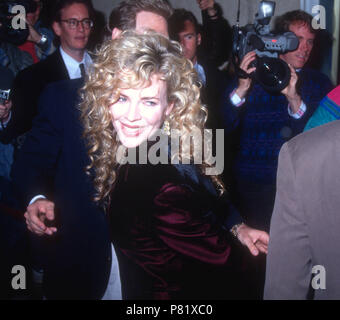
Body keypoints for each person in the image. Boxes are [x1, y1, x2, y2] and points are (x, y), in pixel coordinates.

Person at [80, 30, 268, 299]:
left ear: (169, 107)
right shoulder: (149, 148)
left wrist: (237, 231)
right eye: (122, 98)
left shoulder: (160, 182)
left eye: (149, 101)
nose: (131, 116)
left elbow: (232, 264)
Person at [11, 0, 173, 300]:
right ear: (117, 38)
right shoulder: (64, 98)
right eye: (148, 38)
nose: (159, 50)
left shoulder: (170, 103)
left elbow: (197, 175)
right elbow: (29, 164)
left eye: (163, 41)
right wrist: (36, 198)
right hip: (82, 262)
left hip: (150, 271)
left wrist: (236, 226)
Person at [219, 10, 334, 299]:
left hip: (303, 189)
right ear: (277, 43)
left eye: (310, 41)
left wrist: (294, 98)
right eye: (297, 41)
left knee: (300, 265)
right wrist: (242, 87)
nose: (305, 48)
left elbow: (318, 139)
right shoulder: (252, 75)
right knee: (256, 264)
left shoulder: (319, 83)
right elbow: (221, 127)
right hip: (254, 188)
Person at [264, 120, 340, 299]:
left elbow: (309, 126)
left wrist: (294, 101)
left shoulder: (324, 95)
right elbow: (226, 125)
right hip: (256, 182)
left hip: (305, 177)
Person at [2, 0, 94, 143]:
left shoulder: (106, 68)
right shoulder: (31, 77)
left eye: (85, 22)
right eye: (72, 22)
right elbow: (16, 130)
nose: (81, 29)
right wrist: (6, 116)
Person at [168, 4, 230, 129]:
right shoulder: (161, 76)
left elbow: (220, 45)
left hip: (210, 142)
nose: (182, 45)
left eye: (188, 37)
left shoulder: (214, 76)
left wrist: (212, 12)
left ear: (199, 39)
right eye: (177, 38)